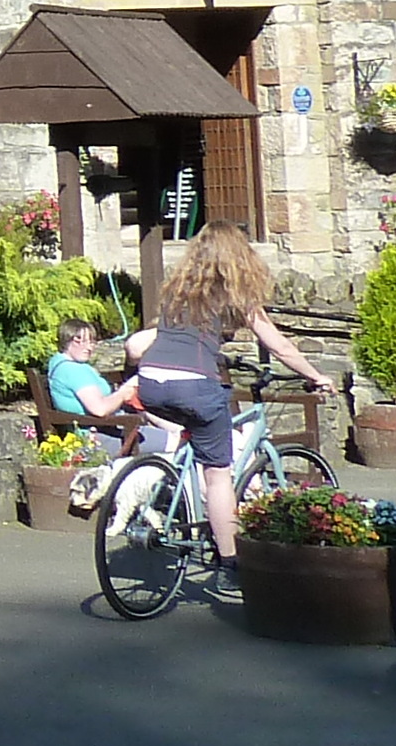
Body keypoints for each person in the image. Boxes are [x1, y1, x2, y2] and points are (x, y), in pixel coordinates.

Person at [125, 224, 343, 594]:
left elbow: (160, 341)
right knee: (218, 475)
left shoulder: (177, 293)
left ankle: (180, 502)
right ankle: (229, 561)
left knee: (192, 433)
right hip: (194, 385)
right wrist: (317, 376)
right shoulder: (235, 294)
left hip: (151, 381)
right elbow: (280, 347)